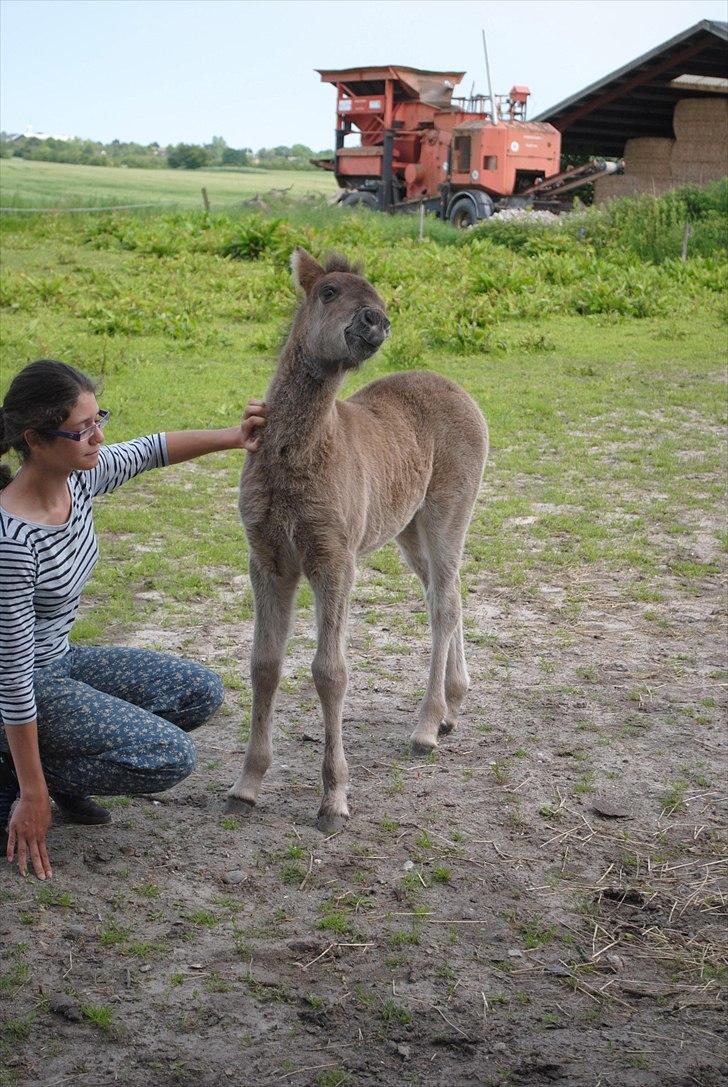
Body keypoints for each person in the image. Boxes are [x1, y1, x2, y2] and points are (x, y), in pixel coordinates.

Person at [0, 359, 265, 881]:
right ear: (35, 439)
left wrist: (235, 437)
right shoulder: (11, 541)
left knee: (198, 691)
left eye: (99, 420)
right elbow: (11, 679)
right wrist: (34, 794)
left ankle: (45, 770)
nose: (98, 437)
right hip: (18, 686)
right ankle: (17, 774)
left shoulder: (79, 477)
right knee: (168, 755)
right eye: (82, 430)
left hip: (61, 661)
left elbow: (150, 450)